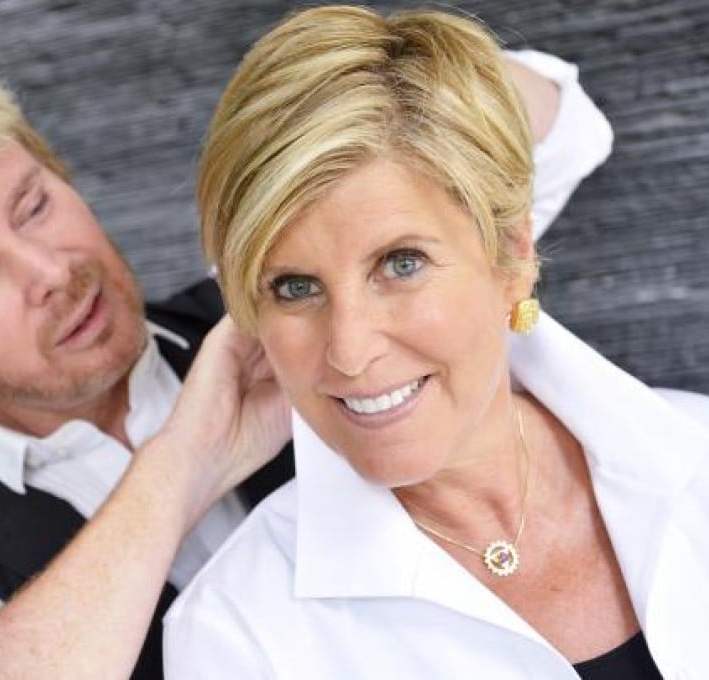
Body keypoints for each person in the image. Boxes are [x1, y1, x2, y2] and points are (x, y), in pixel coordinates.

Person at [0, 31, 610, 678]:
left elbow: (564, 126)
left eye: (33, 205)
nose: (52, 272)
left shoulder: (281, 307)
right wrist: (183, 461)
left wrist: (354, 122)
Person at [164, 6, 709, 679]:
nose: (350, 352)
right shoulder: (237, 638)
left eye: (400, 264)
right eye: (296, 288)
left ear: (511, 253)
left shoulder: (697, 455)